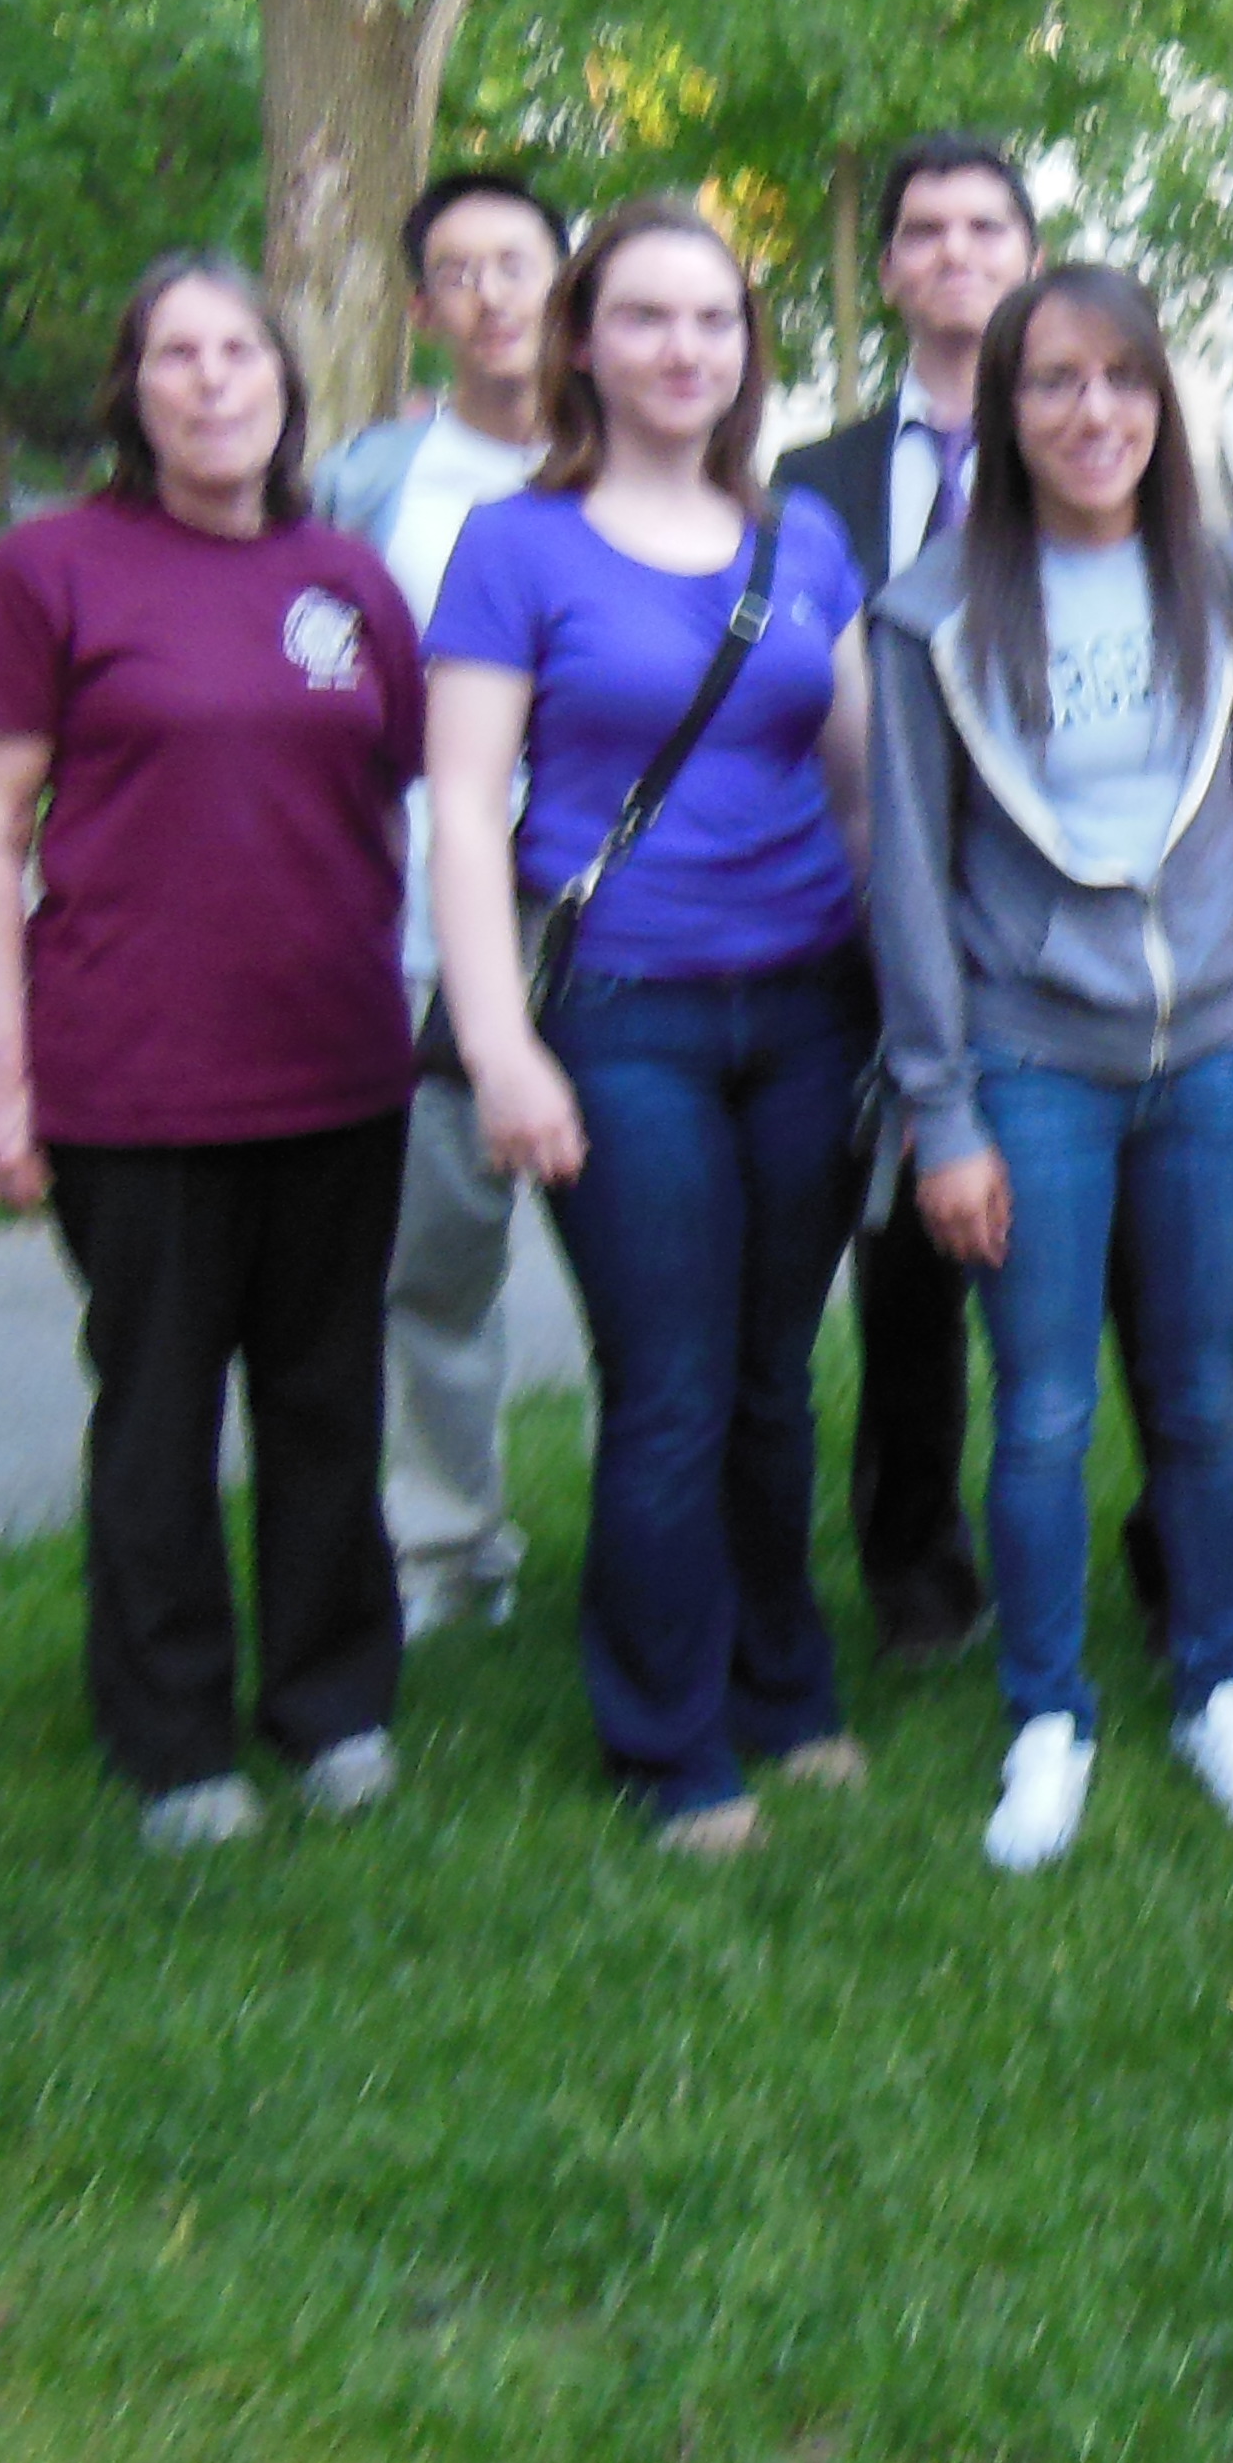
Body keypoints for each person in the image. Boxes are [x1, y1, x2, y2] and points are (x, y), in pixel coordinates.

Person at [0, 256, 423, 1849]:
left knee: (328, 1398)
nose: (212, 383)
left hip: (337, 1069)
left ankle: (333, 1703)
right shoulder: (50, 571)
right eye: (176, 357)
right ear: (132, 395)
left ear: (286, 385)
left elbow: (403, 804)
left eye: (239, 354)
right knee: (156, 1412)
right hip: (135, 1079)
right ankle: (174, 1739)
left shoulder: (348, 581)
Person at [425, 201, 877, 1857]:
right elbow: (464, 817)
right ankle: (669, 1740)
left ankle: (784, 1685)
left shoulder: (802, 540)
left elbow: (859, 789)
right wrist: (502, 1048)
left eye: (713, 321)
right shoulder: (515, 549)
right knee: (670, 1381)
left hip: (808, 1011)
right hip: (620, 1017)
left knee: (770, 1377)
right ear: (583, 343)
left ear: (748, 351)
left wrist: (913, 1008)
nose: (684, 349)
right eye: (644, 317)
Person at [867, 264, 1233, 1873]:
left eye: (1123, 378)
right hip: (1029, 1065)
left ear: (1161, 402)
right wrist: (941, 1112)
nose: (1093, 411)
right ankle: (1046, 1716)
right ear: (1002, 410)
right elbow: (908, 873)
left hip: (1216, 1061)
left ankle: (1220, 1685)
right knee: (1045, 1413)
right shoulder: (929, 614)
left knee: (1206, 1399)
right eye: (1053, 380)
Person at [776, 134, 1048, 1664]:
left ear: (1029, 257)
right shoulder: (808, 485)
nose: (957, 252)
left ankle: (1162, 1568)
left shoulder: (1095, 446)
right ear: (886, 271)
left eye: (986, 227)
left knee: (1128, 1276)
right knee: (904, 1273)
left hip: (1064, 935)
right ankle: (918, 1579)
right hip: (870, 928)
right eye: (926, 231)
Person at [314, 167, 569, 1642]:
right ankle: (448, 1541)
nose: (491, 297)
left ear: (563, 283)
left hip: (615, 928)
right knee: (436, 1263)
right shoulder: (372, 488)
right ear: (421, 309)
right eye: (458, 273)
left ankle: (676, 1547)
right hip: (425, 932)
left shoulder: (639, 468)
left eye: (516, 263)